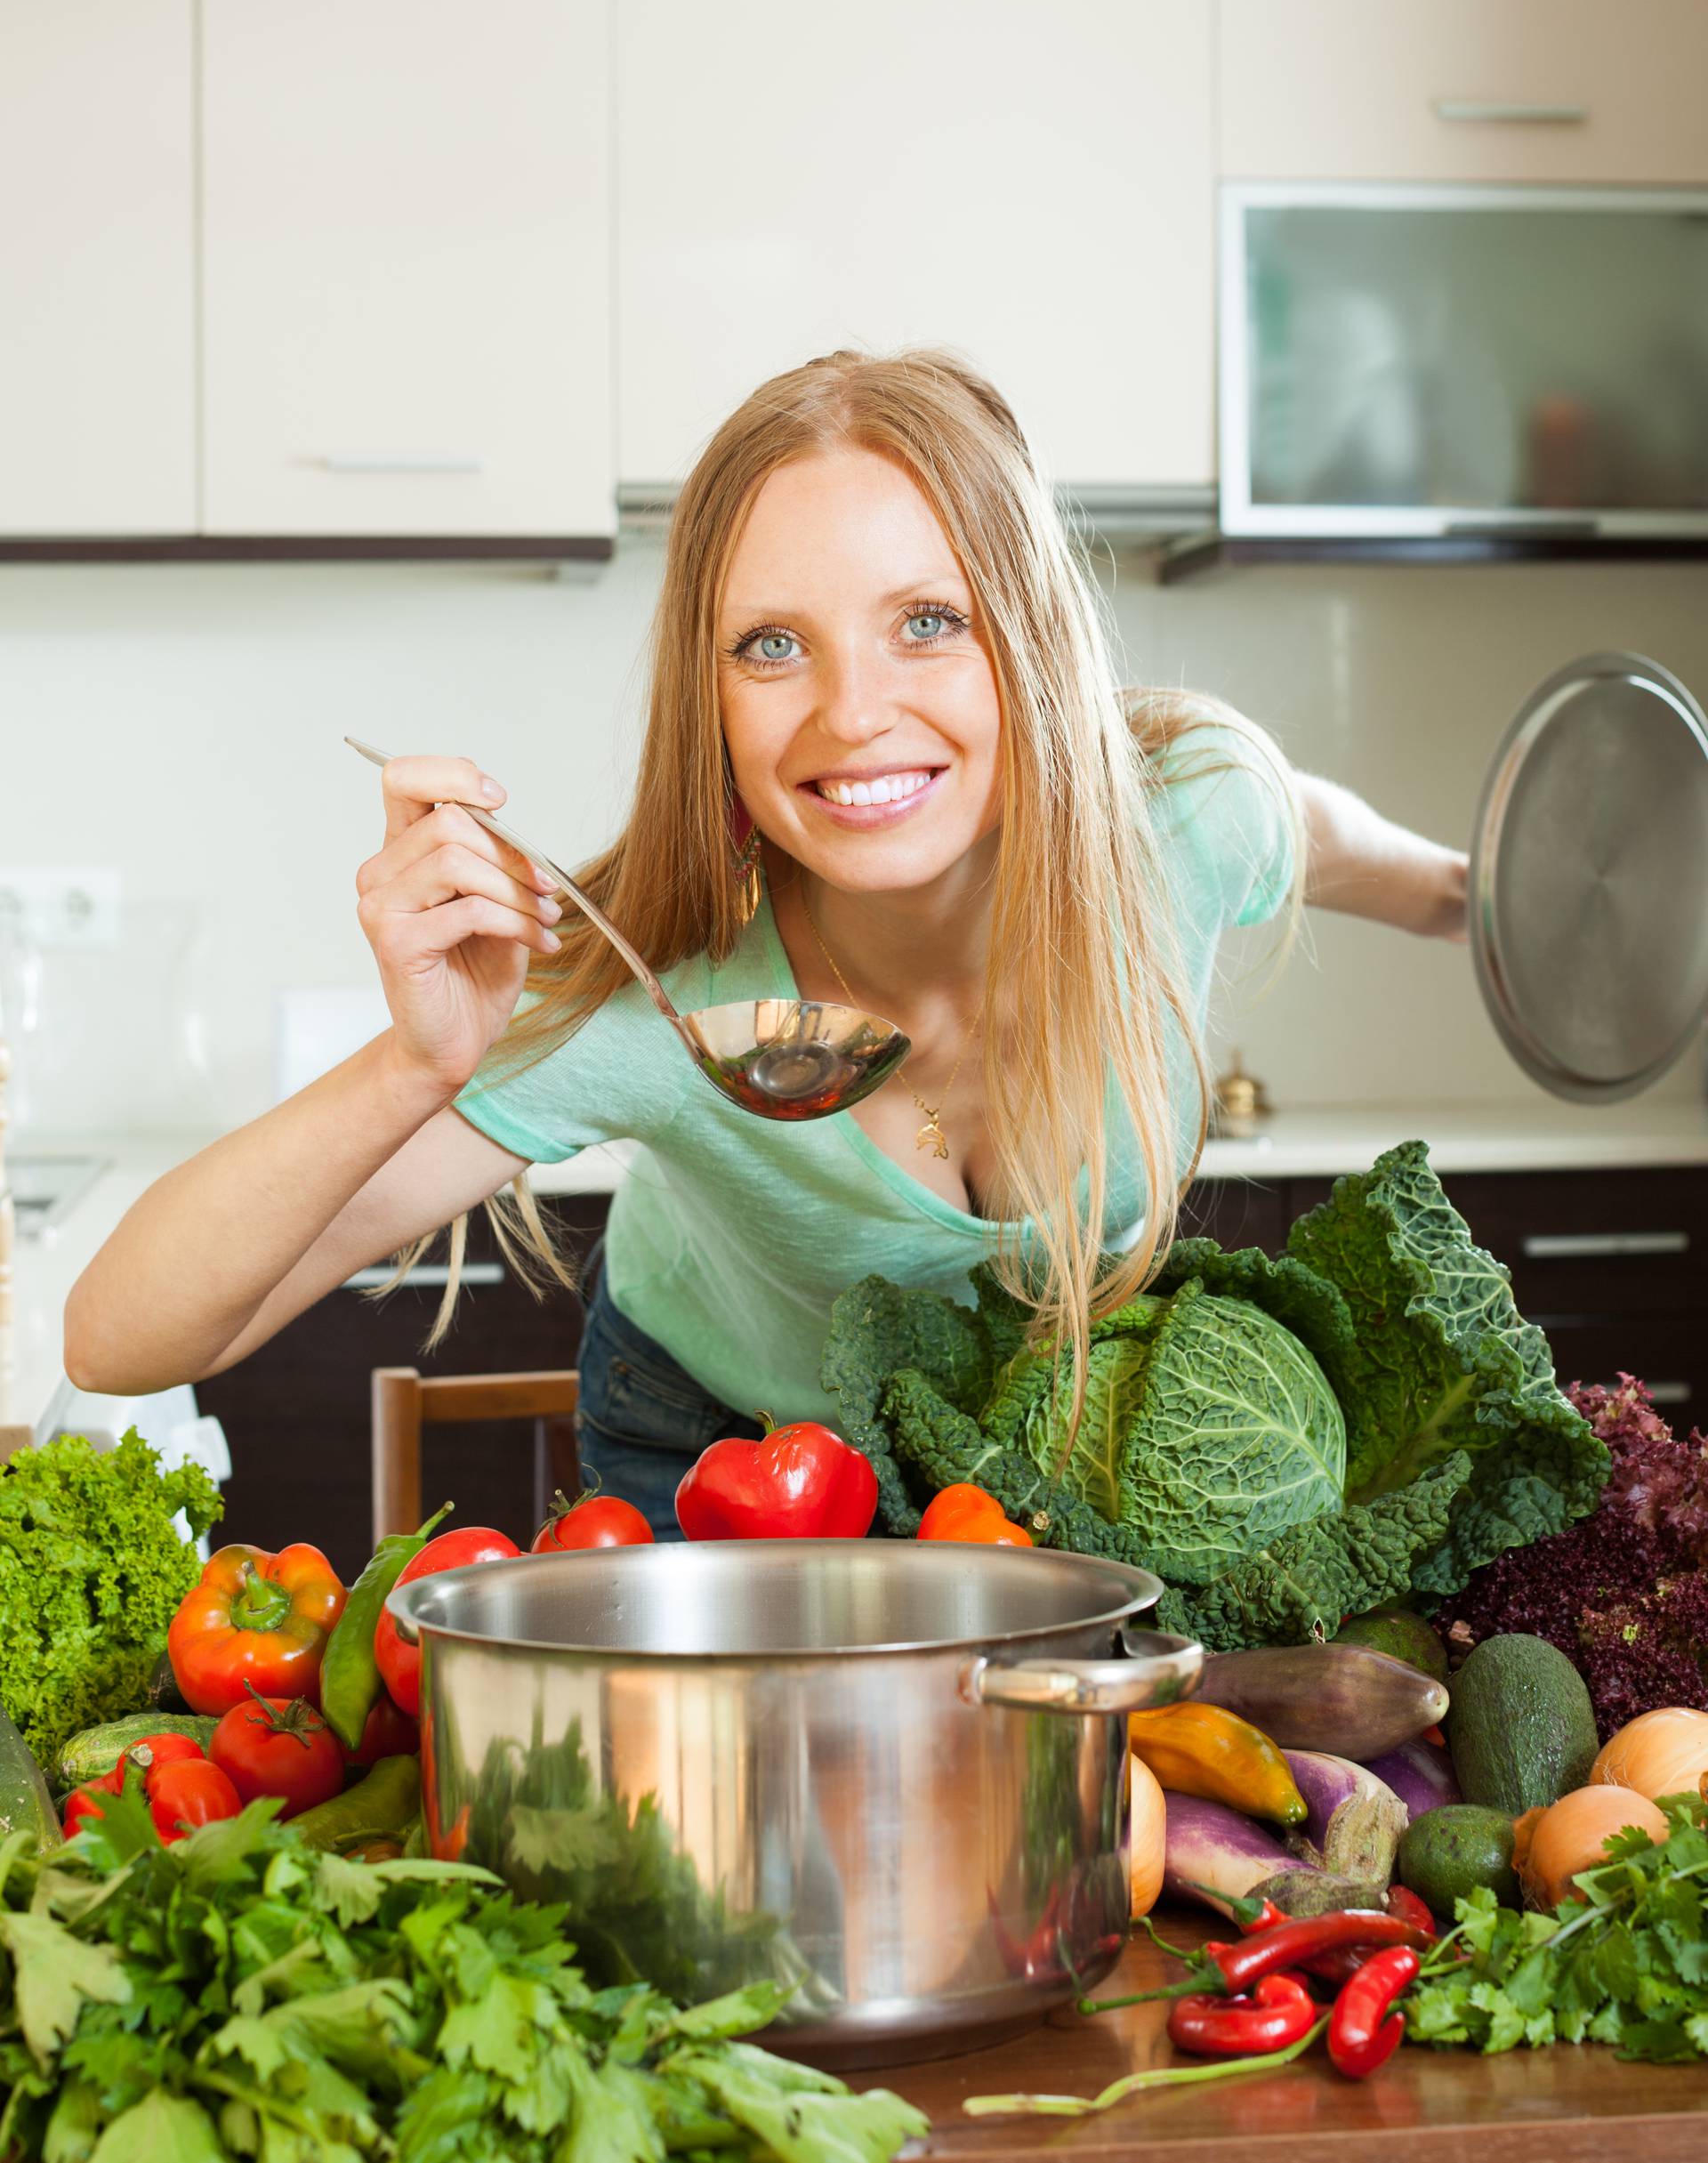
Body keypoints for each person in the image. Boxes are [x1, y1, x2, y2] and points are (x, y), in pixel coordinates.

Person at [66, 349, 1467, 1539]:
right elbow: (120, 1340)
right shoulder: (664, 1006)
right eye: (771, 647)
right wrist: (411, 1066)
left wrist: (1504, 910)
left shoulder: (1187, 817)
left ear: (1028, 640)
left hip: (1038, 1437)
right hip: (712, 1449)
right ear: (711, 701)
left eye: (928, 622)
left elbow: (1341, 841)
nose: (854, 713)